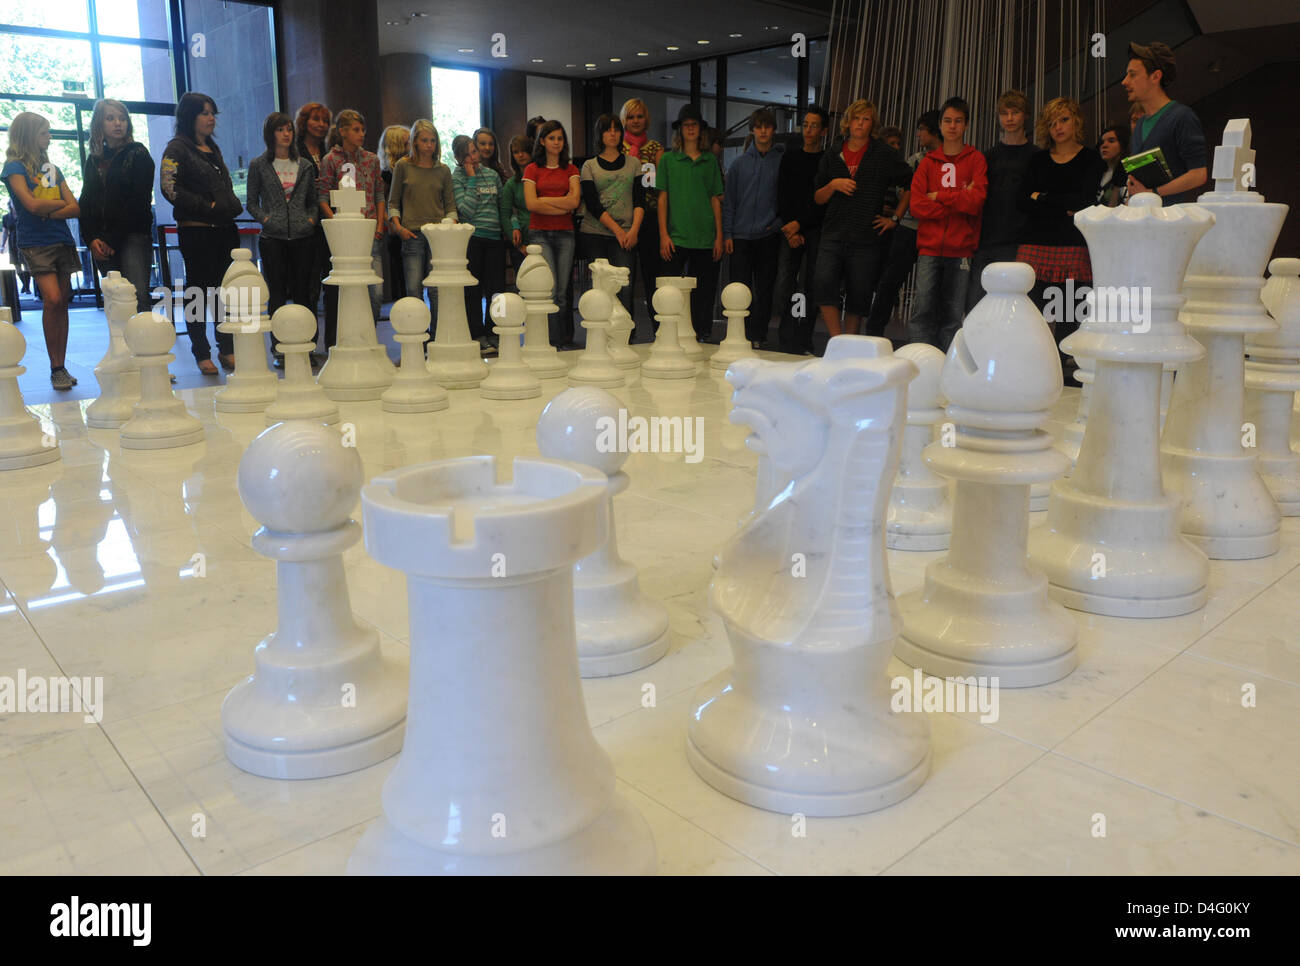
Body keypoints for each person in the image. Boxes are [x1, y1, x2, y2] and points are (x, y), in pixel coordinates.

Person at [1016, 96, 1106, 382]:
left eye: (1064, 119)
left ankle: (1065, 372)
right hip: (1035, 243)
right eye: (1052, 122)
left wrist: (1042, 198)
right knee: (1032, 311)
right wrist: (1060, 205)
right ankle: (1033, 368)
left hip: (1073, 245)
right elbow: (1022, 201)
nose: (1058, 127)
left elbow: (1085, 201)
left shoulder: (1091, 159)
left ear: (1076, 121)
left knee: (1070, 312)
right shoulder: (1037, 159)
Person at [812, 98, 911, 339]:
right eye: (856, 118)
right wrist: (834, 184)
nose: (860, 123)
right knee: (824, 282)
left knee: (860, 292)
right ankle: (837, 339)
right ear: (848, 122)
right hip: (834, 231)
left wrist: (895, 218)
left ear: (872, 124)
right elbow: (817, 197)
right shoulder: (833, 152)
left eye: (866, 119)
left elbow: (911, 183)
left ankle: (851, 341)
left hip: (866, 235)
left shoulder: (884, 153)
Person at [160, 92, 243, 374]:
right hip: (196, 230)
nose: (210, 119)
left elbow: (224, 186)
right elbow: (168, 188)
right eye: (204, 113)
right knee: (198, 291)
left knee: (223, 292)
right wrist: (205, 205)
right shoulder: (176, 148)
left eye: (212, 113)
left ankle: (227, 347)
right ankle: (201, 352)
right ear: (189, 116)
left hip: (223, 229)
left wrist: (229, 205)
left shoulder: (213, 148)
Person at [2, 111, 81, 388]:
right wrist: (56, 206)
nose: (49, 138)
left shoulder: (52, 169)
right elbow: (30, 205)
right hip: (35, 242)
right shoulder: (14, 168)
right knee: (52, 298)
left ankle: (60, 365)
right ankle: (56, 366)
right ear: (29, 135)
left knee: (62, 302)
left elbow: (75, 207)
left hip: (61, 239)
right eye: (44, 132)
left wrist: (48, 209)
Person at [907, 96, 987, 351]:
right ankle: (921, 366)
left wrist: (940, 196)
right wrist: (959, 201)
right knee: (923, 312)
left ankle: (948, 371)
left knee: (953, 317)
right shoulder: (927, 164)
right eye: (947, 121)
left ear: (966, 125)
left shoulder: (976, 160)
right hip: (929, 249)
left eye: (958, 121)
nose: (952, 126)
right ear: (940, 125)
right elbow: (917, 206)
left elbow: (976, 202)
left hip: (961, 249)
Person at [246, 111, 318, 366]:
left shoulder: (305, 166)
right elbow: (251, 203)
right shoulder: (259, 165)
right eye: (280, 129)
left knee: (304, 293)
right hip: (273, 238)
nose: (286, 134)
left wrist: (309, 220)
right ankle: (279, 348)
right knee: (276, 294)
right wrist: (267, 220)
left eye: (289, 129)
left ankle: (306, 347)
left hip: (302, 237)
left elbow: (314, 202)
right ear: (270, 134)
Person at [865, 109, 939, 341]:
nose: (918, 134)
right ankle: (873, 334)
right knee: (889, 282)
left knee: (930, 288)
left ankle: (926, 340)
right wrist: (897, 215)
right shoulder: (915, 160)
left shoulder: (946, 161)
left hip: (933, 229)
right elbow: (902, 191)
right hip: (908, 227)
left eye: (921, 129)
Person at [79, 98, 156, 314]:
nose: (118, 123)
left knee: (136, 296)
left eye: (122, 118)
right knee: (115, 302)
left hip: (132, 235)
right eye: (110, 118)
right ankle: (121, 348)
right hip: (101, 239)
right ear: (99, 124)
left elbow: (138, 201)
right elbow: (86, 202)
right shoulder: (93, 160)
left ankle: (145, 347)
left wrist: (111, 238)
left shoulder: (138, 153)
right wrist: (92, 238)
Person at [656, 103, 724, 343]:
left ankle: (702, 334)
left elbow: (715, 199)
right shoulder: (667, 160)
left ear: (700, 129)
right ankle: (668, 334)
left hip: (706, 235)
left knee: (704, 291)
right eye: (686, 125)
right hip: (676, 235)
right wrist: (663, 235)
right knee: (670, 289)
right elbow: (662, 199)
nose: (691, 129)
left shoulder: (710, 161)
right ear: (680, 130)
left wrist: (719, 236)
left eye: (694, 125)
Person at [967, 90, 1038, 309]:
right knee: (976, 305)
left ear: (1025, 115)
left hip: (1021, 241)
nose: (1009, 118)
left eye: (1014, 112)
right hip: (987, 240)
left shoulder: (1037, 156)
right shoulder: (987, 156)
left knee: (1016, 306)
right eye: (1004, 113)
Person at [317, 109, 385, 327]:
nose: (361, 134)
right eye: (356, 130)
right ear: (343, 132)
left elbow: (378, 195)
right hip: (345, 236)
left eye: (363, 130)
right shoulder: (330, 160)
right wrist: (338, 225)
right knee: (348, 291)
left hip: (369, 232)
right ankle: (352, 336)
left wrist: (379, 226)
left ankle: (370, 335)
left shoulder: (371, 160)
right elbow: (323, 197)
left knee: (376, 291)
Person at [723, 108, 784, 348]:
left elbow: (784, 200)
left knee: (765, 287)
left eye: (767, 126)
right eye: (758, 127)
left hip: (768, 234)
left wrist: (776, 224)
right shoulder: (738, 165)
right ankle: (740, 333)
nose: (763, 131)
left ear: (773, 130)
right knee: (739, 287)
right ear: (752, 130)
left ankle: (758, 334)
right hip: (740, 236)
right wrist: (728, 233)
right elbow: (730, 202)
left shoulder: (780, 161)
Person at [387, 119, 456, 329]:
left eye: (433, 140)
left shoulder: (443, 170)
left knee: (435, 288)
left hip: (437, 235)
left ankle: (436, 334)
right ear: (415, 142)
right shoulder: (403, 166)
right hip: (412, 233)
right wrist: (398, 228)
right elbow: (393, 201)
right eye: (425, 140)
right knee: (414, 288)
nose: (429, 145)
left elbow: (451, 205)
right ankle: (416, 333)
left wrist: (449, 227)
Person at [1122, 41, 1207, 205]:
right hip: (1143, 218)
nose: (1125, 81)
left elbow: (1199, 173)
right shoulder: (1140, 125)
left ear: (1155, 76)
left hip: (1170, 221)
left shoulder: (1181, 117)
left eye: (1132, 74)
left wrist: (1153, 193)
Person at [578, 113, 644, 316]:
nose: (612, 133)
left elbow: (640, 200)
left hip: (627, 234)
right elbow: (593, 205)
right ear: (600, 134)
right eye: (607, 129)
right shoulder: (589, 166)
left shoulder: (634, 164)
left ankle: (625, 336)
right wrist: (617, 230)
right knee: (601, 288)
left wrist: (634, 231)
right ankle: (601, 334)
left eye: (616, 129)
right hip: (595, 233)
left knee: (624, 286)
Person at [775, 105, 828, 354]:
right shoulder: (790, 156)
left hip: (814, 229)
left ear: (823, 130)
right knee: (785, 284)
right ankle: (786, 336)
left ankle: (804, 338)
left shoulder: (826, 161)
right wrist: (791, 228)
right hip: (790, 229)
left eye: (814, 125)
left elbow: (822, 201)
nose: (808, 130)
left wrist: (802, 225)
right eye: (805, 125)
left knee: (810, 286)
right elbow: (782, 195)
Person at [523, 120, 581, 348]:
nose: (556, 142)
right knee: (547, 291)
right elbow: (530, 204)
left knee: (561, 293)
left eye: (560, 138)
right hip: (540, 235)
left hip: (565, 234)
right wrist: (561, 203)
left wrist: (544, 199)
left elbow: (574, 202)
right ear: (543, 141)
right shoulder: (532, 169)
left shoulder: (571, 169)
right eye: (552, 138)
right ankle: (547, 343)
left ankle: (559, 343)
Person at [452, 134, 510, 349]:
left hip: (495, 239)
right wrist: (472, 178)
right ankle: (477, 333)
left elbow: (502, 205)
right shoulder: (457, 177)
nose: (472, 158)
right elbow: (465, 211)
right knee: (473, 291)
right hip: (473, 240)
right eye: (466, 156)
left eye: (474, 152)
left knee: (497, 290)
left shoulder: (492, 174)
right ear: (458, 158)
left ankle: (495, 331)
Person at [622, 98, 663, 333]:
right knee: (625, 280)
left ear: (646, 119)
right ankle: (625, 331)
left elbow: (662, 186)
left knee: (652, 278)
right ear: (624, 120)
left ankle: (660, 330)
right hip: (625, 220)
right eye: (630, 117)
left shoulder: (656, 148)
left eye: (639, 116)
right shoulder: (618, 148)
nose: (635, 121)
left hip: (650, 219)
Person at [294, 101, 331, 360]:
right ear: (304, 122)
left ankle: (331, 344)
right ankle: (304, 343)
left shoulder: (330, 152)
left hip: (328, 225)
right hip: (305, 226)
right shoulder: (294, 151)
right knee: (306, 287)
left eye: (325, 120)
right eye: (316, 119)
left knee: (329, 286)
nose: (321, 124)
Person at [379, 124, 411, 306]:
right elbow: (382, 201)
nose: (411, 146)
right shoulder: (386, 173)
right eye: (407, 143)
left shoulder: (409, 168)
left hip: (412, 224)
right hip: (397, 228)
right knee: (400, 273)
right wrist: (390, 223)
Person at [502, 135, 532, 273]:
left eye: (524, 150)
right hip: (521, 242)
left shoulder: (541, 178)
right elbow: (505, 215)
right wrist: (519, 246)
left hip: (545, 239)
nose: (520, 155)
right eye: (515, 152)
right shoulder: (511, 183)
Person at [1097, 123, 1129, 207]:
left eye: (1111, 141)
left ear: (1123, 144)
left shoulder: (1129, 173)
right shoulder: (1097, 173)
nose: (1104, 145)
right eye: (1102, 142)